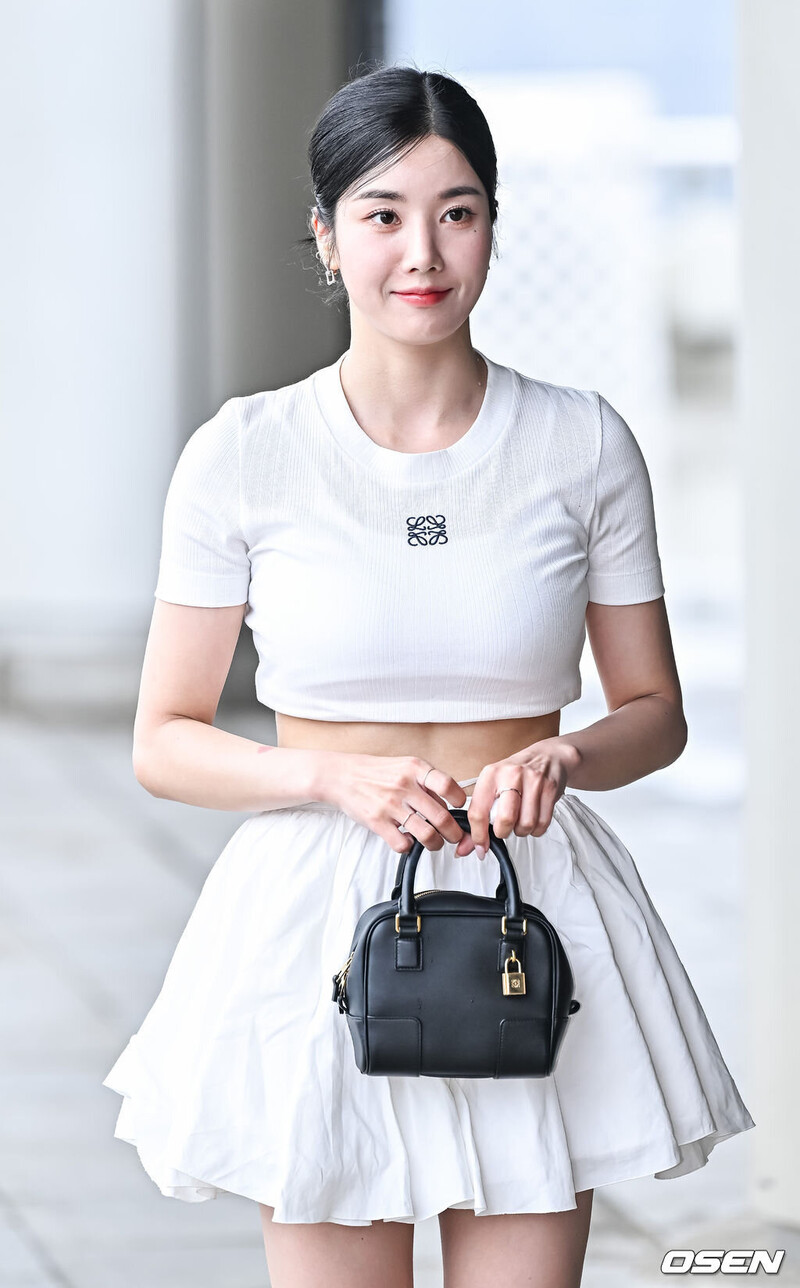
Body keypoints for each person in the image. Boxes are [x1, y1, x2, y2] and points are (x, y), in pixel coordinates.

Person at [102, 63, 755, 1288]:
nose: (422, 251)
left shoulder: (581, 441)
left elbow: (653, 713)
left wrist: (565, 753)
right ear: (325, 236)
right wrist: (328, 779)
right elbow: (166, 736)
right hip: (314, 913)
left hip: (529, 897)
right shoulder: (244, 453)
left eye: (456, 212)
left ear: (491, 229)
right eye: (382, 213)